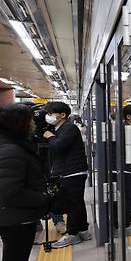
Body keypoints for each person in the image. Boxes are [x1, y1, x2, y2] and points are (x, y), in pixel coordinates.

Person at [0, 104, 48, 261]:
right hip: (15, 219)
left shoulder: (10, 146)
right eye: (29, 120)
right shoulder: (11, 150)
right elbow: (8, 192)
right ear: (19, 124)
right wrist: (43, 198)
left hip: (16, 217)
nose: (33, 124)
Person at [42, 101, 91, 247]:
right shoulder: (61, 128)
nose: (48, 116)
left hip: (73, 172)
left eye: (51, 114)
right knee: (77, 203)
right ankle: (83, 230)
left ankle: (72, 235)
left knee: (72, 204)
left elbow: (58, 146)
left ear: (63, 115)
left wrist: (49, 136)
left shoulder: (68, 127)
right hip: (71, 172)